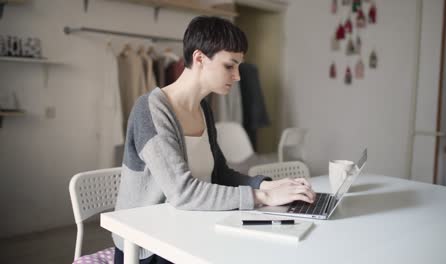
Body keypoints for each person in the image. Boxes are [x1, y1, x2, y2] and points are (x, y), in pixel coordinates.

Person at [113, 16, 316, 264]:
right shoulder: (150, 110)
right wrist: (262, 199)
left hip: (188, 228)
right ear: (199, 58)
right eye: (230, 66)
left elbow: (219, 173)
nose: (238, 76)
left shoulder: (203, 109)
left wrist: (266, 186)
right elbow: (183, 192)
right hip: (148, 247)